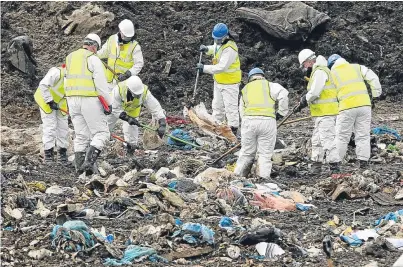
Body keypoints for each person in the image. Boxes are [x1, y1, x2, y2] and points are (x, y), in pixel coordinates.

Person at [64, 33, 113, 175]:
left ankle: (80, 170)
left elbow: (66, 80)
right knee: (102, 133)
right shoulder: (93, 59)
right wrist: (108, 104)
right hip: (89, 99)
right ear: (94, 46)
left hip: (72, 100)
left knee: (81, 135)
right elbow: (101, 85)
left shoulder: (70, 57)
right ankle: (89, 164)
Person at [328, 54, 382, 168]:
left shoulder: (331, 74)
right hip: (365, 105)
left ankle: (336, 164)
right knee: (363, 135)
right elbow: (374, 78)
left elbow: (329, 93)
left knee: (342, 136)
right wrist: (375, 96)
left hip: (346, 107)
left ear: (331, 65)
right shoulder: (357, 67)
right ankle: (363, 162)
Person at [234, 68, 289, 179]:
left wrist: (245, 122)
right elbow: (284, 94)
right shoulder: (270, 85)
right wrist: (281, 113)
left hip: (249, 121)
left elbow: (241, 110)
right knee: (264, 154)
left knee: (246, 152)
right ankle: (262, 178)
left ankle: (238, 177)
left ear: (250, 78)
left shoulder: (245, 89)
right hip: (267, 122)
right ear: (263, 76)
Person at [295, 49, 340, 174]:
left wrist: (305, 99)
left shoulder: (320, 71)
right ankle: (316, 166)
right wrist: (304, 100)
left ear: (308, 61)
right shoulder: (317, 72)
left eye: (303, 65)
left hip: (326, 113)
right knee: (317, 140)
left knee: (328, 140)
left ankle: (335, 168)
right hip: (320, 114)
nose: (304, 68)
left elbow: (315, 92)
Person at [197, 23, 241, 135]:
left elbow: (222, 67)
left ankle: (233, 129)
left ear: (225, 36)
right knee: (217, 106)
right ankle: (218, 126)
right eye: (215, 39)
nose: (217, 41)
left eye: (219, 39)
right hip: (219, 81)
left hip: (230, 83)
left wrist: (204, 68)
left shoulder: (230, 48)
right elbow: (216, 49)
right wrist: (207, 49)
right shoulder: (220, 43)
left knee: (230, 107)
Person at [108, 76, 167, 154]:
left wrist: (162, 122)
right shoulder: (118, 90)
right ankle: (96, 145)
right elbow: (114, 108)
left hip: (132, 111)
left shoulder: (145, 93)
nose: (138, 96)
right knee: (105, 127)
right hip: (116, 109)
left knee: (131, 134)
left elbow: (155, 107)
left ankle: (130, 151)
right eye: (136, 95)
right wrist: (126, 118)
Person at [34, 64, 69, 164]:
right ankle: (48, 155)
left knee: (63, 127)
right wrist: (49, 101)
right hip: (46, 100)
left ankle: (62, 154)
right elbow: (43, 85)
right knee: (50, 127)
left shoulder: (76, 78)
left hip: (61, 102)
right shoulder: (57, 72)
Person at [98, 19, 144, 87]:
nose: (127, 39)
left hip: (123, 83)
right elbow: (104, 52)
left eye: (129, 37)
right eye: (125, 36)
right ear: (120, 31)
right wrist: (94, 54)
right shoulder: (112, 39)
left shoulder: (135, 47)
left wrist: (128, 74)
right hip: (109, 80)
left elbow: (139, 64)